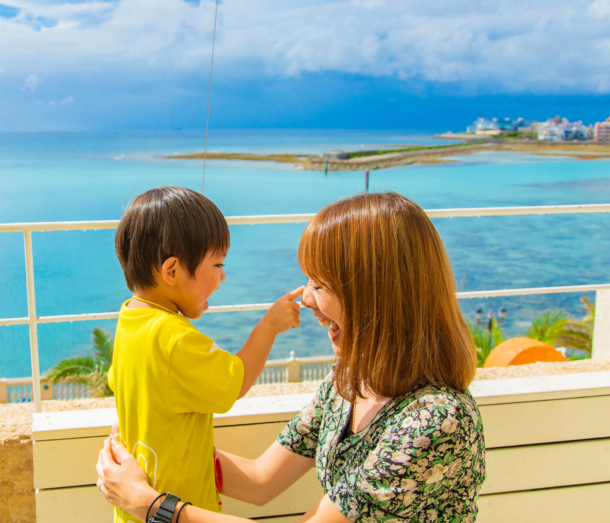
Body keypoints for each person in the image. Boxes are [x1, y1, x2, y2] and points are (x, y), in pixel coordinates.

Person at [97, 192, 486, 523]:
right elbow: (259, 479)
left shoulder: (435, 420)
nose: (305, 298)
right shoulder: (348, 387)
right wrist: (157, 448)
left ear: (377, 294)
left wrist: (152, 506)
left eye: (319, 283)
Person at [108, 186, 304, 523]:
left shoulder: (129, 321)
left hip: (135, 507)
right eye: (217, 264)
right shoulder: (175, 338)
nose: (222, 276)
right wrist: (270, 325)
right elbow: (234, 382)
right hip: (171, 508)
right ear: (172, 271)